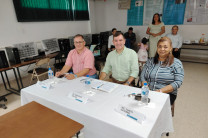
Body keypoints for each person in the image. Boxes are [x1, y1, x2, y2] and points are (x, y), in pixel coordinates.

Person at [140, 37, 184, 105]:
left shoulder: (176, 63)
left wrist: (159, 91)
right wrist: (146, 89)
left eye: (165, 47)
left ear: (170, 48)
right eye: (159, 46)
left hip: (167, 94)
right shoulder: (150, 61)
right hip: (147, 92)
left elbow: (178, 82)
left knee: (153, 108)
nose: (162, 49)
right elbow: (142, 76)